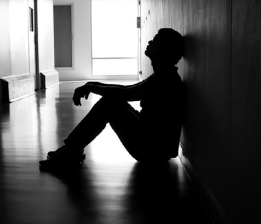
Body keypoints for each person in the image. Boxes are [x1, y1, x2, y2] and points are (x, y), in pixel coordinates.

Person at [39, 28, 185, 170]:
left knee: (109, 104)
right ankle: (72, 149)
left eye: (156, 40)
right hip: (152, 144)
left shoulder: (166, 79)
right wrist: (92, 84)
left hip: (152, 152)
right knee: (112, 101)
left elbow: (124, 93)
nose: (149, 41)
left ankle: (71, 150)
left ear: (164, 51)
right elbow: (125, 89)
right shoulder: (163, 75)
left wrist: (91, 87)